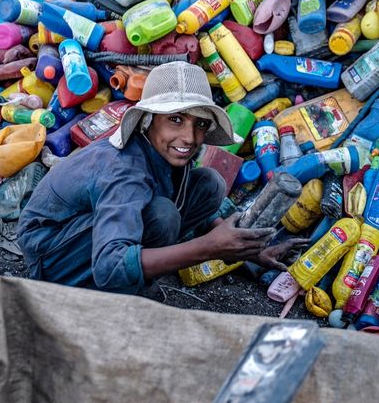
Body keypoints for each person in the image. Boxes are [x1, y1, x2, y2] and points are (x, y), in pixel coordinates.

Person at [17, 62, 304, 294]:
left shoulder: (167, 152)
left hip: (84, 236)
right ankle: (120, 294)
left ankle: (140, 271)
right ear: (148, 119)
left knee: (210, 184)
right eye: (175, 120)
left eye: (200, 124)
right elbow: (109, 265)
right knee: (162, 215)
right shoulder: (125, 170)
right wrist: (207, 248)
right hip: (51, 258)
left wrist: (252, 252)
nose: (189, 138)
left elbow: (203, 216)